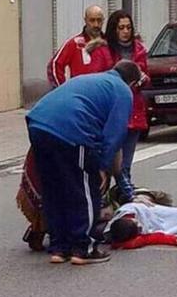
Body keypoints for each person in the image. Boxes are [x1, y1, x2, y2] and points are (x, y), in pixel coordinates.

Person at [25, 60, 138, 265]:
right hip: (74, 132)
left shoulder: (91, 79)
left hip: (37, 125)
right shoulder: (122, 90)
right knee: (85, 191)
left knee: (54, 191)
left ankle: (59, 247)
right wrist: (102, 166)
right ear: (132, 82)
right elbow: (115, 133)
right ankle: (83, 248)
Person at [103, 10, 150, 202]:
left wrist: (143, 79)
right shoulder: (106, 49)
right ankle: (112, 195)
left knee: (126, 162)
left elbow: (146, 74)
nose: (125, 32)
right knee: (109, 158)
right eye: (121, 28)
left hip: (134, 109)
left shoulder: (139, 49)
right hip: (113, 110)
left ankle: (125, 197)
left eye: (128, 28)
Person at [47, 5, 111, 87]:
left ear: (103, 21)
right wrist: (61, 89)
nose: (96, 24)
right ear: (85, 20)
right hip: (81, 94)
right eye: (92, 20)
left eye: (99, 20)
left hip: (104, 94)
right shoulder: (74, 43)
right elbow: (54, 65)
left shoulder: (109, 44)